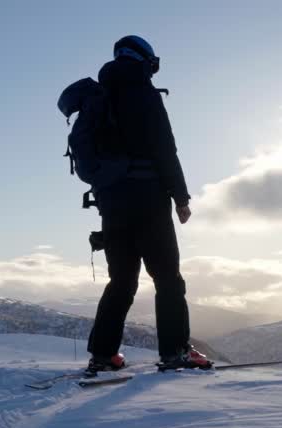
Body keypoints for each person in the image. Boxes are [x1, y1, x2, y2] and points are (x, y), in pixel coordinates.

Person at [85, 35, 211, 374]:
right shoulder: (144, 96)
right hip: (149, 199)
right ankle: (174, 352)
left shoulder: (99, 97)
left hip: (110, 202)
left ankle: (103, 354)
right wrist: (181, 199)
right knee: (167, 277)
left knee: (122, 280)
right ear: (145, 61)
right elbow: (165, 151)